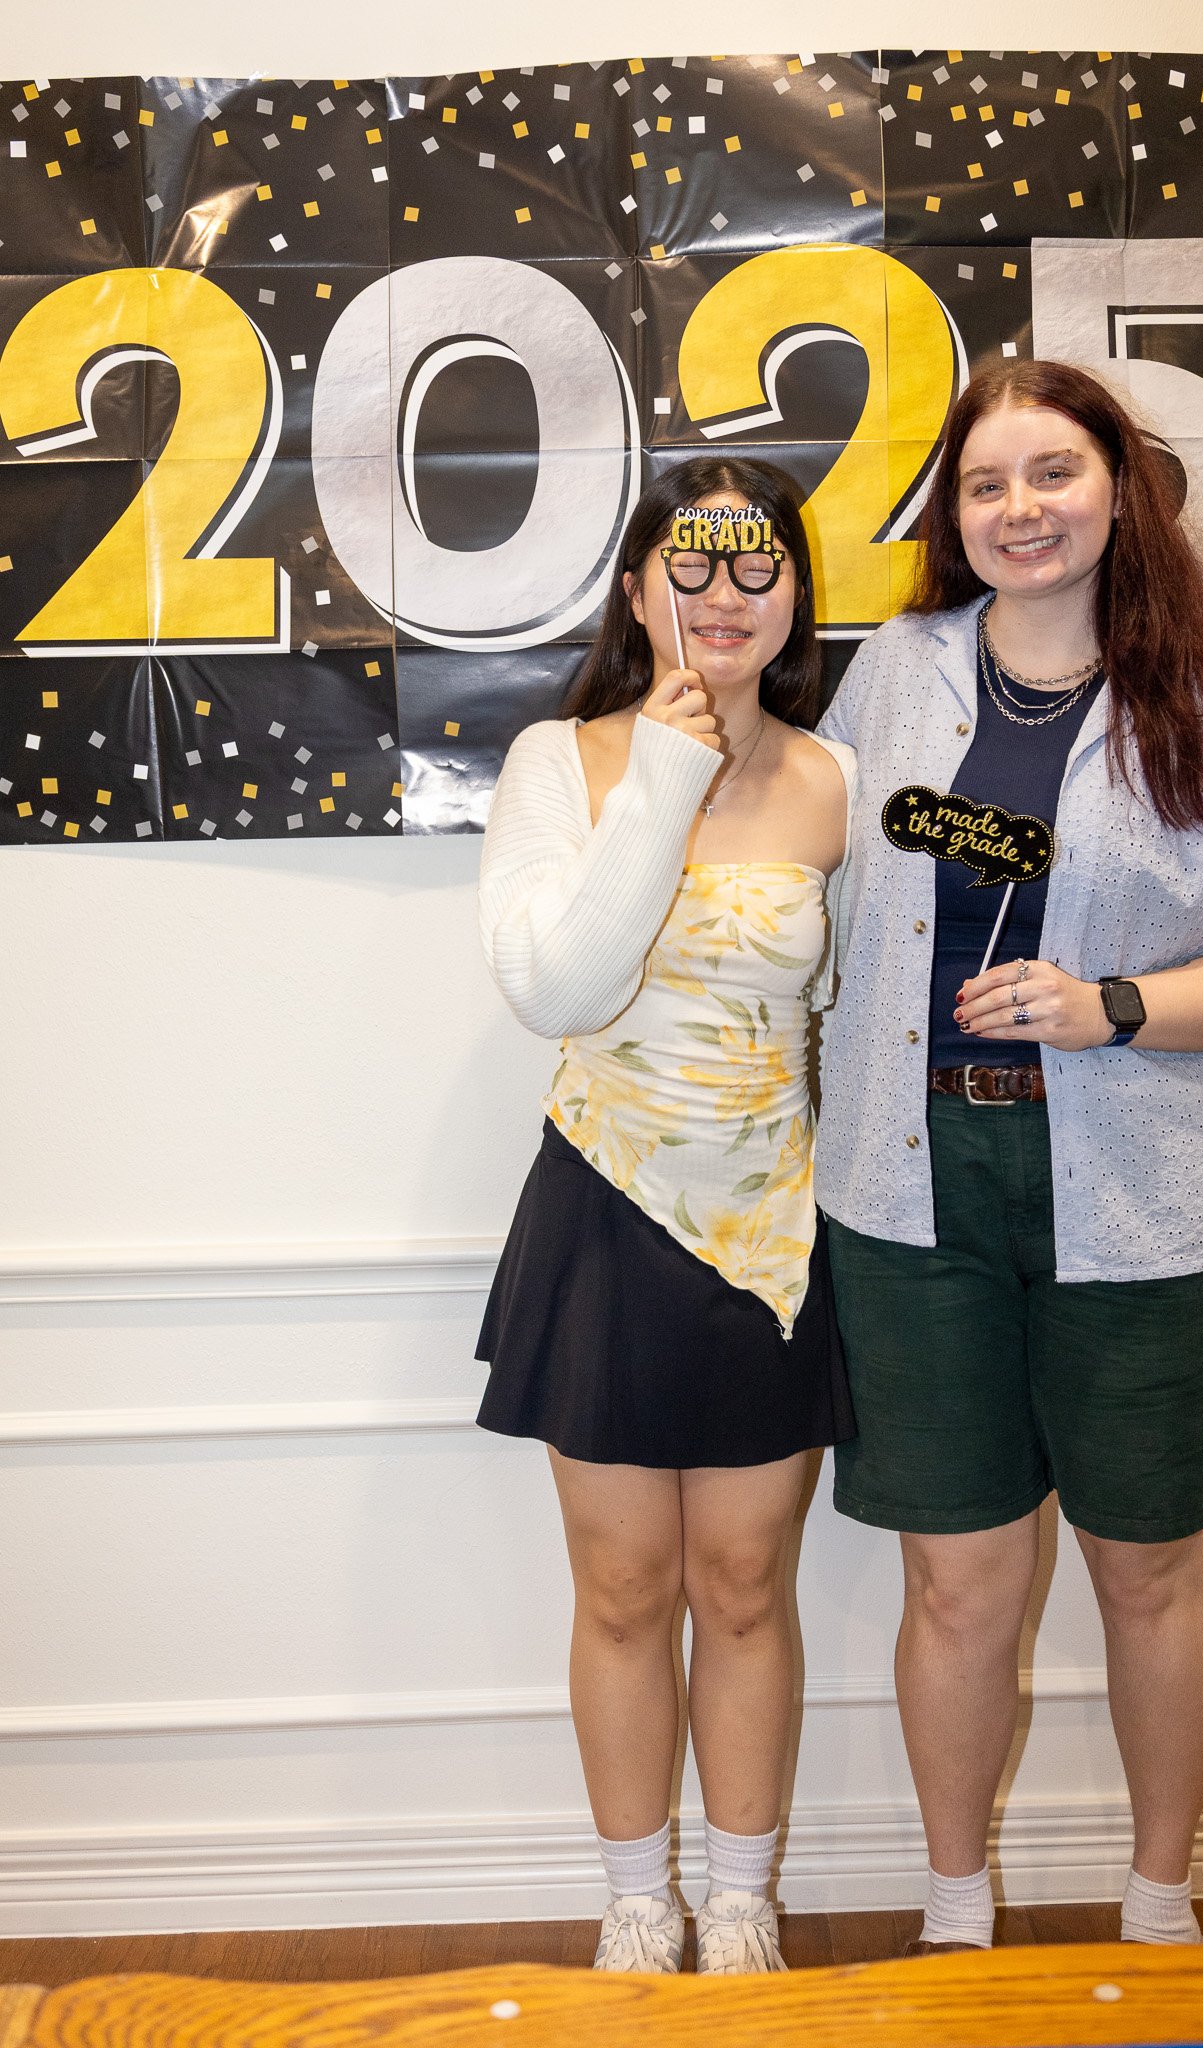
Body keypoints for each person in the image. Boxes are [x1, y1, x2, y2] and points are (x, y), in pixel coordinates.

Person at [815, 359, 1203, 1954]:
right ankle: (956, 1909)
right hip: (909, 1194)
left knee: (1149, 1574)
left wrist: (1114, 1003)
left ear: (1121, 490)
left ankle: (1159, 1902)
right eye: (984, 485)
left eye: (1052, 475)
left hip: (1141, 1206)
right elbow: (807, 847)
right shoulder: (896, 673)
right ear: (951, 516)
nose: (1018, 510)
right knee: (957, 1586)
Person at [475, 455, 854, 1975]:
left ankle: (745, 1897)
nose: (720, 595)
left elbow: (827, 1000)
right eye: (687, 567)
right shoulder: (556, 764)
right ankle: (640, 1899)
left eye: (754, 566)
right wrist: (671, 775)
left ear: (793, 597)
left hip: (768, 1230)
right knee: (625, 1585)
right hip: (604, 1216)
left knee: (745, 1582)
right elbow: (559, 989)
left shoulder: (837, 781)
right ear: (637, 590)